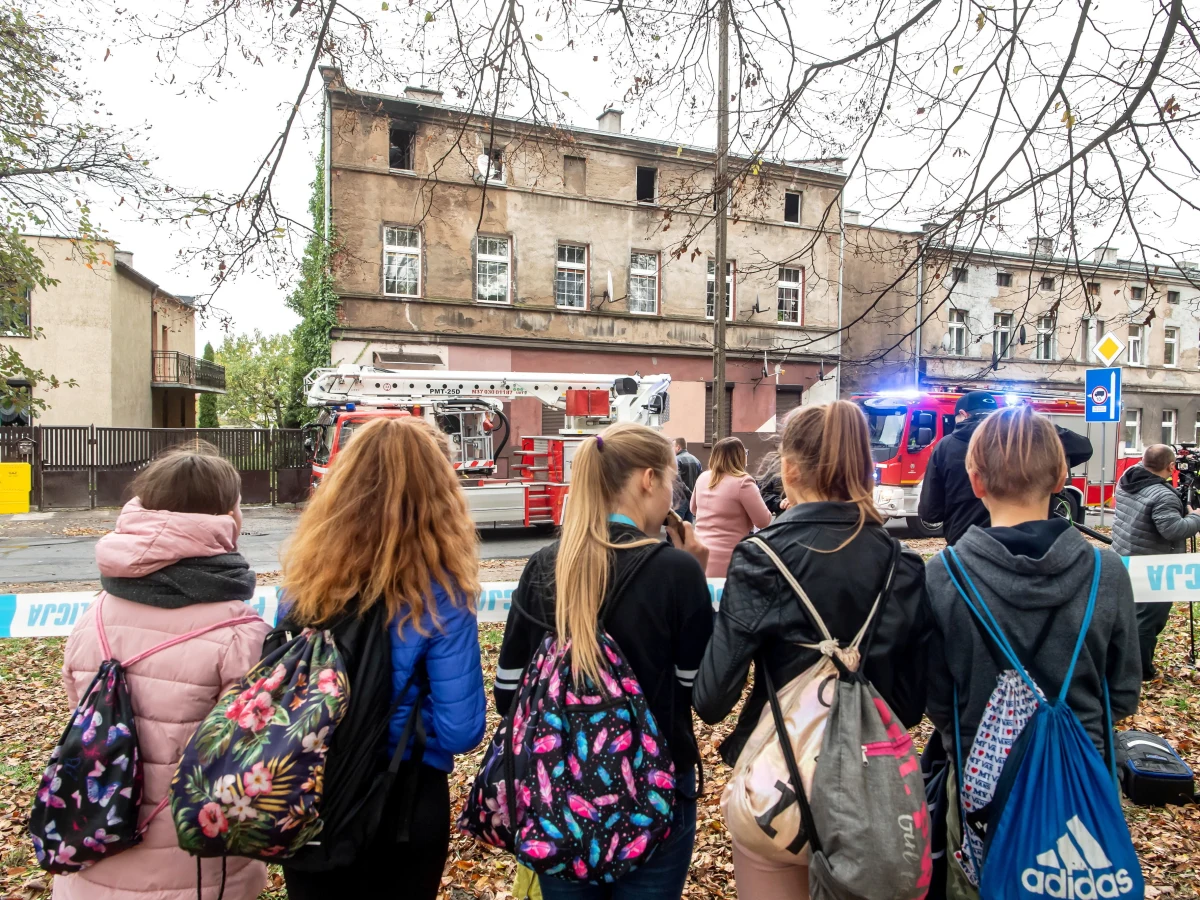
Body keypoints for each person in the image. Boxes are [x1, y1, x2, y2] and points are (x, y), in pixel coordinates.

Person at [693, 401, 931, 899]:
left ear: (791, 468)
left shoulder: (762, 559)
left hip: (779, 787)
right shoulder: (902, 565)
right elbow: (907, 705)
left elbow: (712, 698)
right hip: (872, 786)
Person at [924, 406, 1140, 899]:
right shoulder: (1107, 573)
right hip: (1082, 776)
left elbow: (937, 698)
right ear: (1062, 477)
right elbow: (1123, 694)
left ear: (974, 481)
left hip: (982, 786)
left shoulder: (945, 575)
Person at [494, 423, 714, 900]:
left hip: (558, 796)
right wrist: (696, 572)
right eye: (673, 482)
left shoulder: (544, 566)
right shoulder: (677, 572)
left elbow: (507, 691)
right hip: (656, 796)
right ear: (647, 480)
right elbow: (701, 692)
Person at [280, 416, 486, 900]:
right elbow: (462, 730)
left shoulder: (304, 584)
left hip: (310, 792)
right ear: (438, 494)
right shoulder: (444, 598)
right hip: (405, 801)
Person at [57, 446, 270, 900]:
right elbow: (249, 756)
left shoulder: (91, 616)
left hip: (94, 841)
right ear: (228, 514)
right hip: (196, 866)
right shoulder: (241, 634)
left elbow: (81, 714)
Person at [918, 391, 1093, 544]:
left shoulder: (945, 447)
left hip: (965, 549)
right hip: (1033, 545)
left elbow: (930, 513)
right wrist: (1034, 426)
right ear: (1060, 478)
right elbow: (1084, 448)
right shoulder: (1022, 436)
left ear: (962, 414)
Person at [1111, 443, 1200, 679]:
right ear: (1171, 466)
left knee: (1131, 615)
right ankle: (1141, 672)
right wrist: (1195, 517)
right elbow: (1173, 530)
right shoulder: (1161, 495)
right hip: (1152, 566)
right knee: (1149, 619)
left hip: (1125, 555)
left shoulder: (1127, 478)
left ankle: (1121, 663)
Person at [690, 436, 773, 577]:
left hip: (699, 554)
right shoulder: (743, 482)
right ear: (740, 456)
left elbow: (693, 509)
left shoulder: (703, 478)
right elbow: (763, 520)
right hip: (728, 559)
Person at [674, 437, 703, 523]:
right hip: (691, 500)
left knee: (675, 530)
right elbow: (700, 480)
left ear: (678, 447)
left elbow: (676, 480)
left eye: (673, 447)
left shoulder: (676, 460)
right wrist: (692, 495)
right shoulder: (696, 460)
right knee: (687, 529)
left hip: (679, 501)